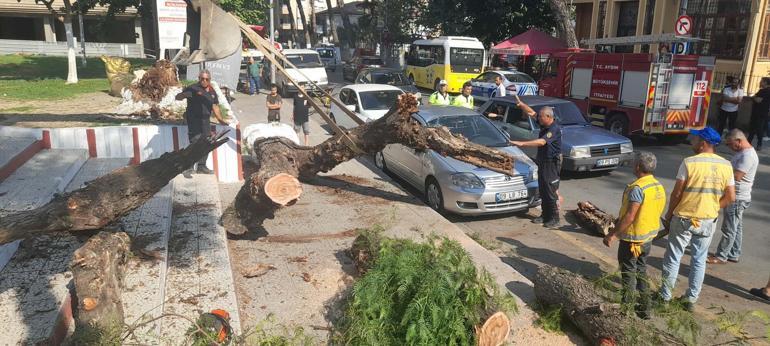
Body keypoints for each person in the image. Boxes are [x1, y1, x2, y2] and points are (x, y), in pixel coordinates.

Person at [659, 127, 736, 311]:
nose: (691, 141)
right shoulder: (726, 165)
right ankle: (691, 299)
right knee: (699, 260)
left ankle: (664, 297)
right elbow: (731, 197)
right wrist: (714, 207)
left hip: (685, 216)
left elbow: (677, 193)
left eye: (694, 139)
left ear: (703, 143)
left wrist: (669, 216)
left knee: (673, 257)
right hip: (707, 220)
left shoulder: (689, 162)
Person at [603, 151, 666, 320]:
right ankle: (645, 309)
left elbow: (631, 216)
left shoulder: (638, 188)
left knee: (628, 273)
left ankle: (626, 308)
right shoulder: (657, 186)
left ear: (638, 166)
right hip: (647, 239)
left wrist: (613, 235)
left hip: (633, 240)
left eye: (633, 163)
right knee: (641, 271)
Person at [509, 95, 562, 228]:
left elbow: (541, 142)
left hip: (551, 164)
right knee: (543, 190)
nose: (538, 119)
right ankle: (545, 215)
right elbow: (532, 113)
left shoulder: (553, 129)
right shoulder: (544, 122)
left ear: (548, 117)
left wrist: (522, 143)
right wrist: (521, 104)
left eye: (541, 117)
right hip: (543, 162)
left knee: (550, 191)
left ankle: (555, 218)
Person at [707, 129, 758, 264]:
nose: (729, 147)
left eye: (730, 144)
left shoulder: (747, 156)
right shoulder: (743, 153)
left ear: (739, 141)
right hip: (739, 197)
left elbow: (737, 176)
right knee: (736, 226)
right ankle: (734, 253)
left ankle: (721, 256)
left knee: (729, 228)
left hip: (737, 197)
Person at [175, 69, 228, 175]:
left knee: (207, 143)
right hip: (194, 120)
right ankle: (189, 167)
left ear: (210, 80)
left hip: (205, 121)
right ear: (199, 79)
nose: (204, 81)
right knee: (195, 142)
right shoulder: (193, 88)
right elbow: (178, 97)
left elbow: (215, 106)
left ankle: (201, 166)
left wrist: (220, 119)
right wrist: (182, 95)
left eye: (206, 79)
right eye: (202, 79)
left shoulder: (212, 92)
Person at [747, 77, 770, 150]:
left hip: (760, 114)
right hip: (759, 113)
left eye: (762, 81)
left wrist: (753, 97)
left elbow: (758, 100)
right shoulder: (762, 90)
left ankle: (758, 144)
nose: (760, 82)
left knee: (758, 129)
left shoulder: (765, 91)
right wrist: (754, 97)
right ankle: (749, 143)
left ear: (765, 82)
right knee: (753, 129)